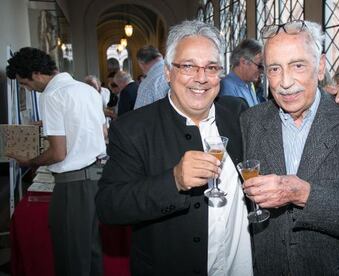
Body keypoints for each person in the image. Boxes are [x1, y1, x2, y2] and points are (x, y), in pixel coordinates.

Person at [96, 20, 253, 275]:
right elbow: (109, 206)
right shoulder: (134, 128)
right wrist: (174, 181)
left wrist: (336, 101)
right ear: (168, 72)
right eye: (189, 66)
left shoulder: (237, 113)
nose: (201, 78)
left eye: (211, 67)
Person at [240, 20, 339, 275]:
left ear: (320, 67)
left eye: (298, 65)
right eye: (275, 69)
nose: (285, 82)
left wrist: (305, 195)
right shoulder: (250, 120)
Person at [7, 47, 106, 275]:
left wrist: (30, 161)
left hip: (73, 184)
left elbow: (58, 153)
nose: (27, 88)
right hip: (97, 177)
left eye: (25, 83)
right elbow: (102, 133)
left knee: (71, 256)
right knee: (91, 252)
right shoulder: (87, 90)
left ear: (36, 74)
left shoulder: (52, 95)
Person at [219, 38, 264, 107]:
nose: (262, 71)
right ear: (243, 62)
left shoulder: (249, 84)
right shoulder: (227, 87)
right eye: (260, 66)